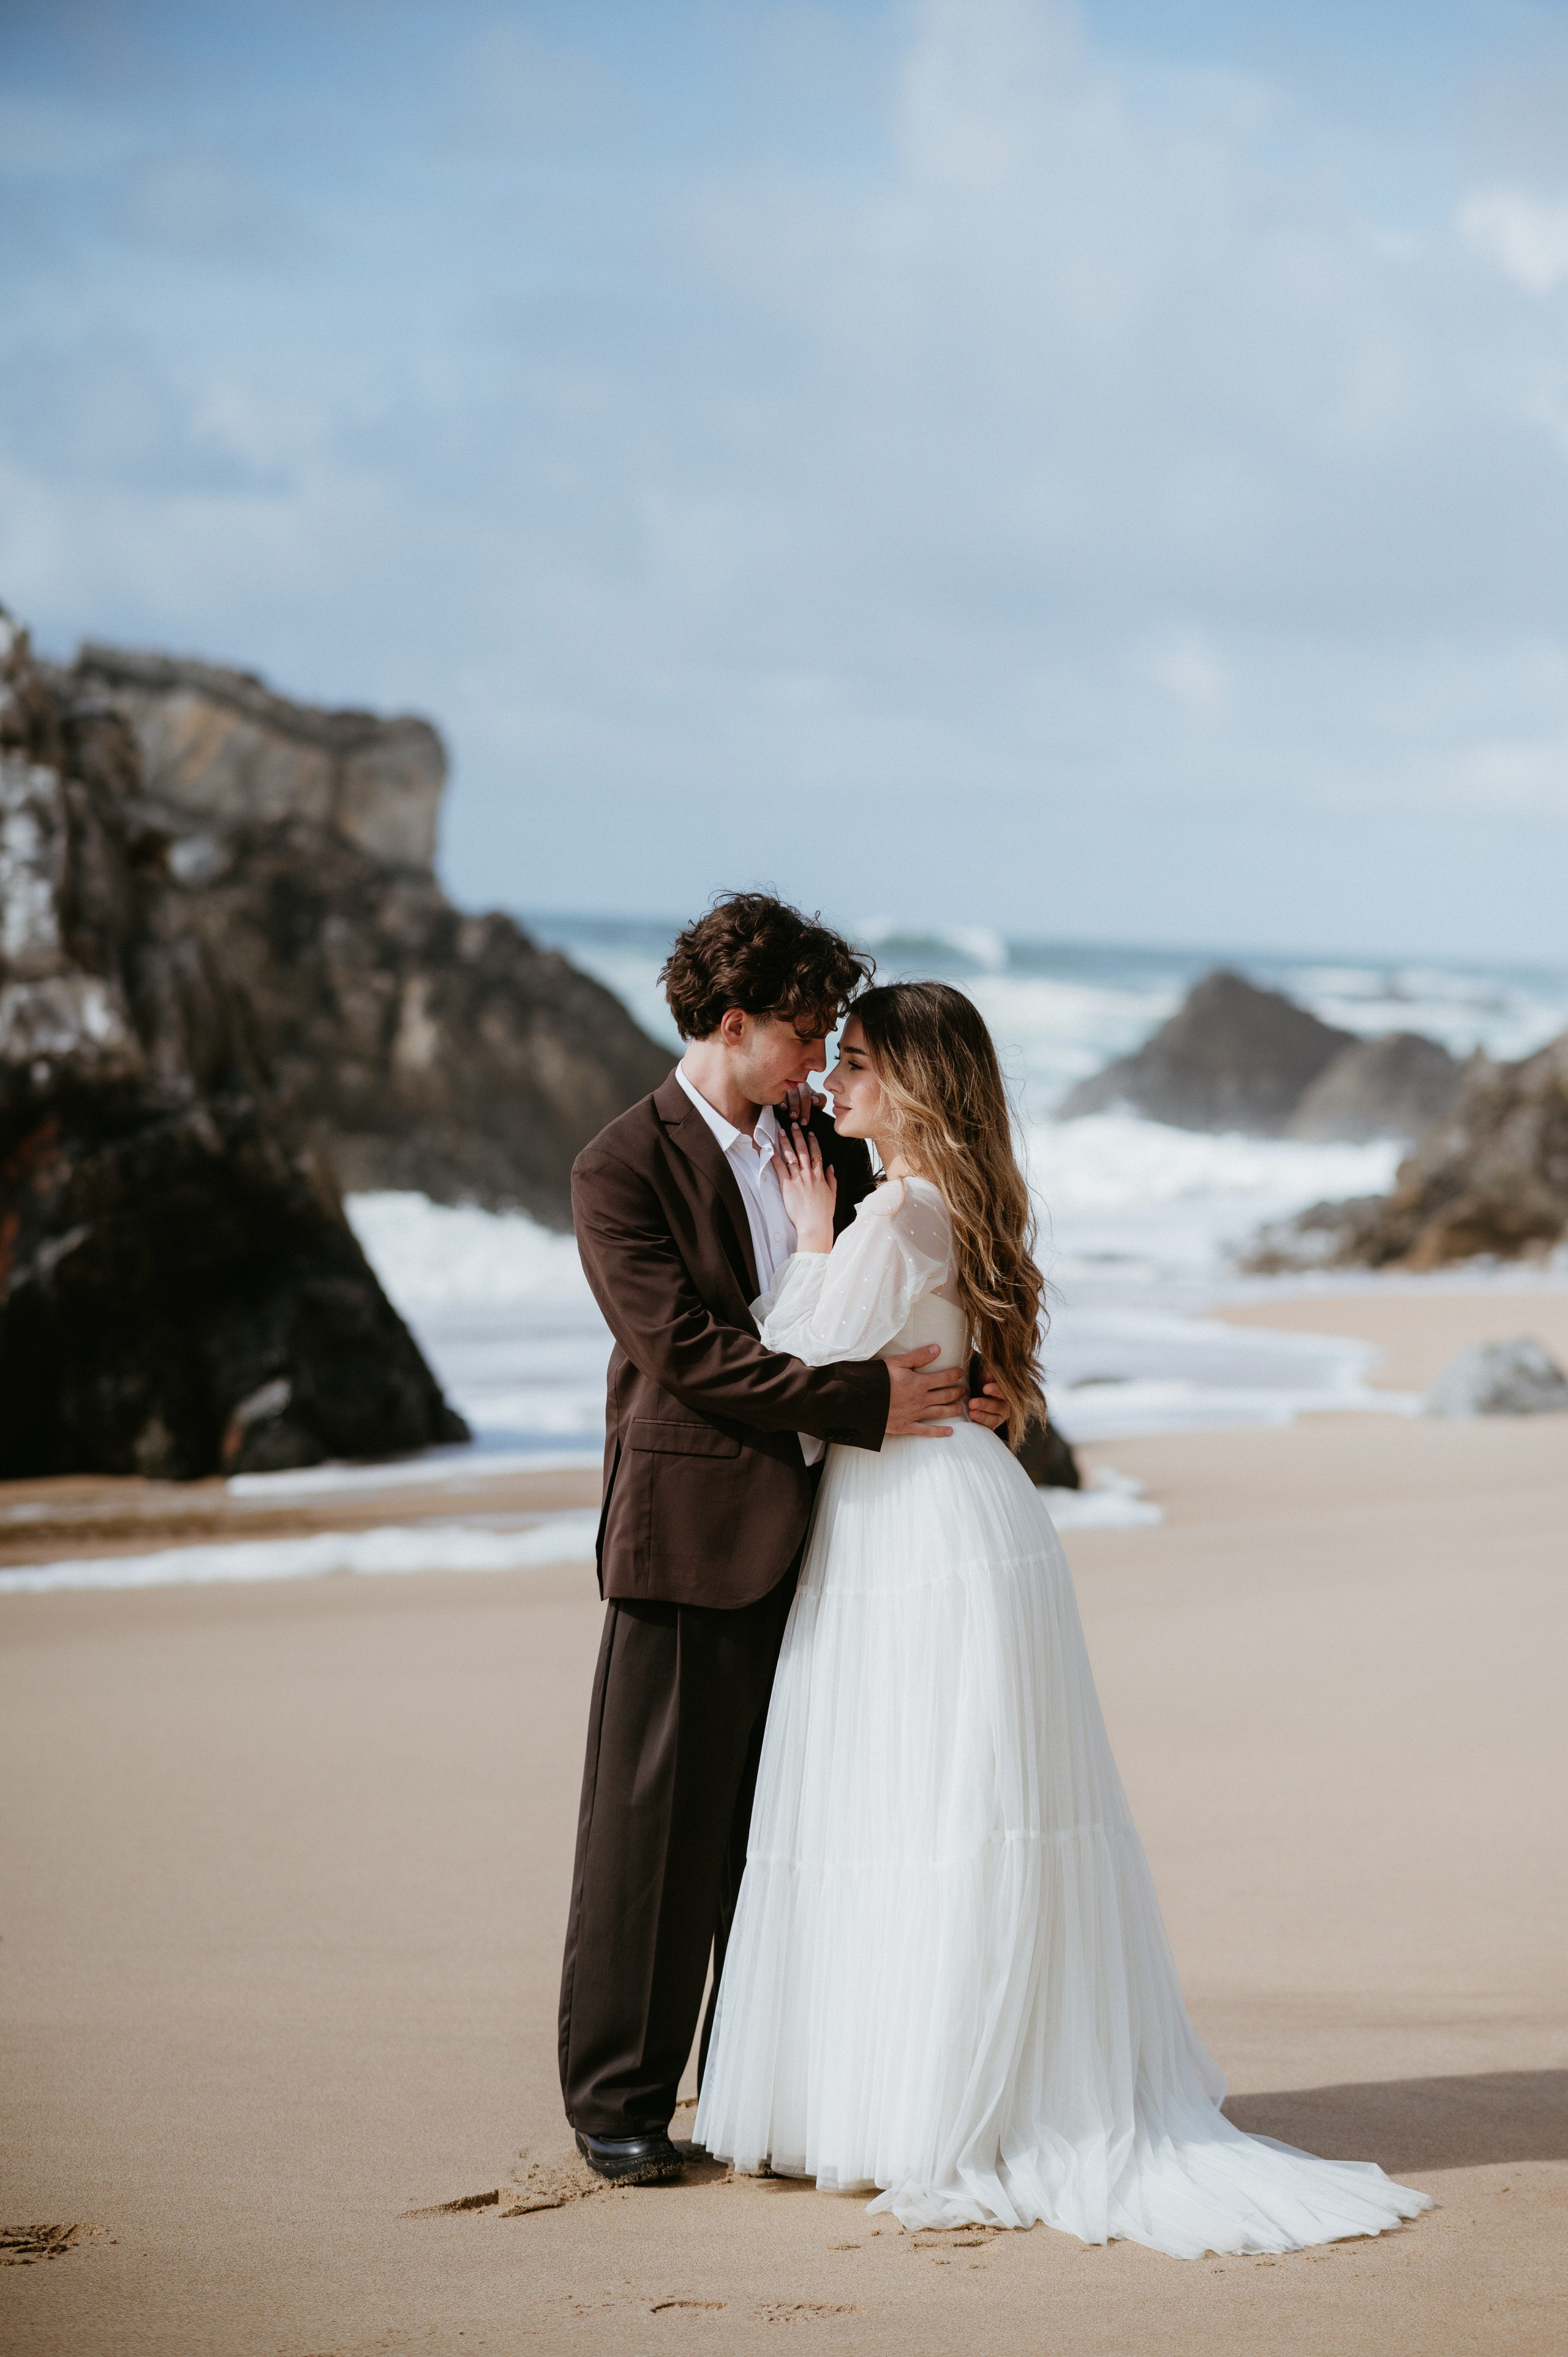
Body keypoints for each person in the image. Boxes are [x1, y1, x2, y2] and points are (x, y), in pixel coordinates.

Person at [693, 981, 1432, 2258]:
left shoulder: (898, 1212)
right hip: (951, 1522)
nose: (833, 1086)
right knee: (953, 1808)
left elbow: (803, 1379)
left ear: (916, 1084)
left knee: (923, 1808)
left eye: (857, 1064)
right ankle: (946, 2081)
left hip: (914, 1536)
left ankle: (932, 2097)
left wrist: (812, 1239)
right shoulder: (953, 1205)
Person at [559, 899, 1010, 2187]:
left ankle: (771, 2089)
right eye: (803, 1034)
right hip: (692, 1532)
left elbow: (914, 1267)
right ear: (732, 1020)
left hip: (846, 1549)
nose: (817, 1062)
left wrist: (977, 1388)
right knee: (652, 1830)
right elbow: (690, 1357)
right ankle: (618, 2103)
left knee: (782, 1837)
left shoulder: (822, 1139)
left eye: (830, 1038)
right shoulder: (619, 1167)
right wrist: (865, 1404)